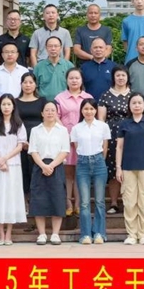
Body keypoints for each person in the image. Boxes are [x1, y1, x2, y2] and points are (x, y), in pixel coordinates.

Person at [0, 94, 28, 246]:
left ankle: (9, 234)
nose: (6, 107)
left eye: (9, 104)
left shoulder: (18, 125)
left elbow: (20, 146)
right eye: (3, 104)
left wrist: (5, 158)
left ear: (13, 106)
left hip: (13, 165)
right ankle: (1, 234)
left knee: (11, 197)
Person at [116, 93, 144, 245]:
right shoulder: (124, 124)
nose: (137, 105)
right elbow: (119, 147)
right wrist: (118, 167)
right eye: (134, 103)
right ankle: (132, 235)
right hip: (127, 167)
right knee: (129, 202)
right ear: (129, 105)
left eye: (140, 102)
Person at [28, 101, 69, 245]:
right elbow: (33, 150)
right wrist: (43, 166)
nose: (50, 113)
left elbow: (65, 151)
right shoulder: (35, 130)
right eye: (47, 110)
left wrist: (51, 165)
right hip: (39, 166)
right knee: (39, 199)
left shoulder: (62, 130)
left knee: (57, 198)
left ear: (57, 113)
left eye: (53, 110)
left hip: (56, 166)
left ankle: (55, 234)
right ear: (42, 113)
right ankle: (42, 234)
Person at [71, 98, 111, 245]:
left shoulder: (103, 126)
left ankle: (100, 233)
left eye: (91, 109)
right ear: (81, 110)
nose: (89, 112)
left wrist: (99, 160)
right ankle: (86, 234)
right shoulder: (76, 128)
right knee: (84, 202)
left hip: (99, 162)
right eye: (86, 109)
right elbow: (76, 147)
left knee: (100, 201)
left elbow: (105, 147)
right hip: (82, 163)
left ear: (96, 110)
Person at [55, 68, 93, 216]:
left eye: (77, 78)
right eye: (71, 78)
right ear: (66, 80)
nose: (74, 81)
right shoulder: (60, 98)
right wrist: (66, 133)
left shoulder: (88, 97)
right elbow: (56, 116)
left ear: (81, 80)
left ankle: (78, 203)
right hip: (65, 139)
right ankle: (67, 203)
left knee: (80, 173)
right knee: (67, 173)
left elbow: (92, 116)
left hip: (83, 140)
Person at [97, 66, 133, 215]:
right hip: (111, 136)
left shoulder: (133, 95)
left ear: (127, 77)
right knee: (112, 169)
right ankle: (113, 202)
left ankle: (129, 202)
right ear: (113, 77)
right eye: (118, 75)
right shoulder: (106, 95)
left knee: (129, 168)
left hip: (130, 135)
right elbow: (101, 118)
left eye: (123, 75)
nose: (120, 78)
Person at [16, 73, 47, 198]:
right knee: (23, 170)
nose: (28, 85)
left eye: (31, 82)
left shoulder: (42, 101)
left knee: (37, 169)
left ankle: (37, 200)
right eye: (25, 82)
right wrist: (21, 141)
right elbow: (13, 122)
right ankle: (24, 199)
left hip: (39, 140)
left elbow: (48, 120)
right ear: (21, 84)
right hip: (19, 141)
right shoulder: (15, 102)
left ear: (35, 85)